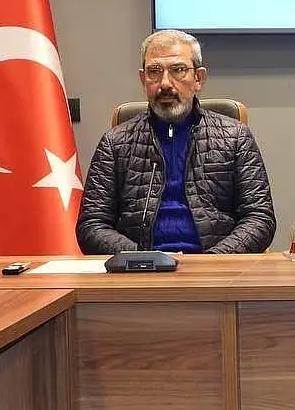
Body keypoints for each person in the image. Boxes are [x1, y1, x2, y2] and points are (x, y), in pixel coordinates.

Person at [77, 29, 275, 254]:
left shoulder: (235, 137)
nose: (165, 83)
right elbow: (91, 226)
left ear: (198, 78)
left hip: (214, 266)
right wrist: (144, 259)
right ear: (143, 80)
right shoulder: (115, 143)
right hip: (140, 268)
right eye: (154, 72)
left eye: (178, 70)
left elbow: (260, 218)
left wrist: (214, 260)